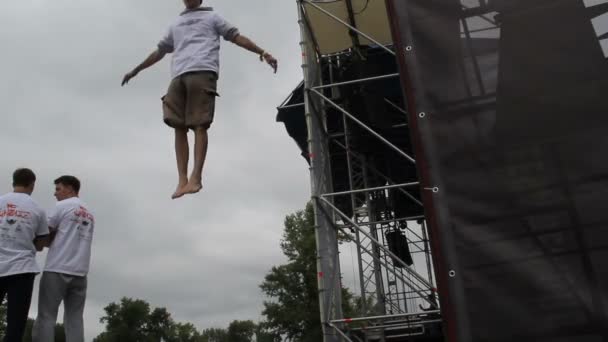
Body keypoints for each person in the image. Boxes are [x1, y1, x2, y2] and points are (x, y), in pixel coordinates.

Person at [121, 0, 278, 199]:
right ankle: (182, 179)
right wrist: (136, 69)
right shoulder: (176, 23)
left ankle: (196, 177)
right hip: (178, 75)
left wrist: (262, 52)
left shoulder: (212, 17)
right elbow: (160, 51)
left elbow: (236, 37)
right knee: (178, 125)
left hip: (203, 70)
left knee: (199, 124)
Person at [33, 176, 95, 342]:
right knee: (75, 319)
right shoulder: (89, 212)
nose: (55, 194)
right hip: (80, 272)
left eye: (58, 189)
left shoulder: (62, 206)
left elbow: (44, 232)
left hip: (57, 268)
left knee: (47, 317)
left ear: (70, 189)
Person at [0, 168, 49, 342]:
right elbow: (42, 242)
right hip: (22, 269)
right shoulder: (37, 209)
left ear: (13, 182)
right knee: (15, 324)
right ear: (32, 184)